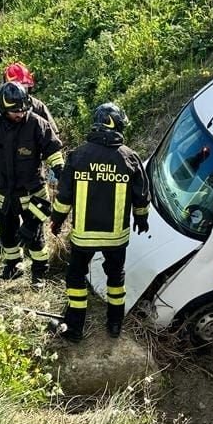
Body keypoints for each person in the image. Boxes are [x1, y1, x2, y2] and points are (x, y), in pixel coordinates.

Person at [49, 102, 150, 341]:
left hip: (84, 235)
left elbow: (64, 197)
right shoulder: (129, 158)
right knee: (116, 278)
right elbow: (142, 194)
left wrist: (56, 220)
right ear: (117, 126)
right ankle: (114, 325)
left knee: (75, 277)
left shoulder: (78, 156)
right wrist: (142, 217)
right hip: (116, 237)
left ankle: (74, 329)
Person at [0, 82, 64, 284]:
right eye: (15, 112)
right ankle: (13, 267)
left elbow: (52, 149)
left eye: (23, 110)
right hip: (2, 192)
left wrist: (59, 168)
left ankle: (40, 271)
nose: (20, 114)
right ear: (4, 109)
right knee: (7, 235)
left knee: (34, 236)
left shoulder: (36, 124)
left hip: (33, 193)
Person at [0, 62, 58, 254]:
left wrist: (52, 172)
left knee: (33, 219)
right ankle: (1, 245)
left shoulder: (38, 108)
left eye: (25, 88)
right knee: (2, 217)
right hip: (2, 178)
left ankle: (33, 251)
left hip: (30, 176)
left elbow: (53, 139)